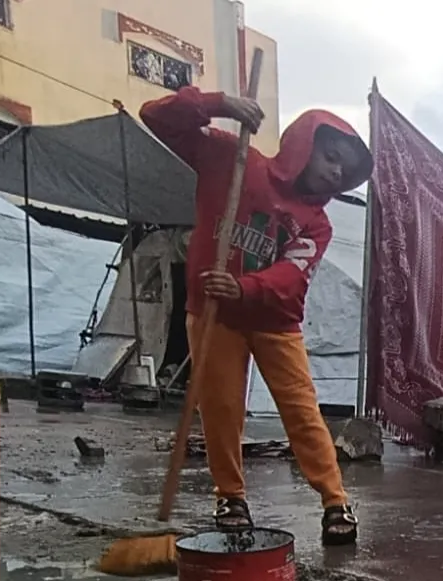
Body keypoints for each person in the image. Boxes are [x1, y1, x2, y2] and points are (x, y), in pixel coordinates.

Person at [141, 86, 372, 546]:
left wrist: (245, 287)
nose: (336, 171)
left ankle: (334, 499)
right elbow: (156, 118)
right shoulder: (233, 158)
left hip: (274, 319)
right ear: (304, 143)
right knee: (222, 409)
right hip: (212, 311)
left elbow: (293, 274)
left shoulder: (317, 223)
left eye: (343, 169)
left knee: (302, 411)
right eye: (330, 156)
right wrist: (220, 104)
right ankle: (230, 497)